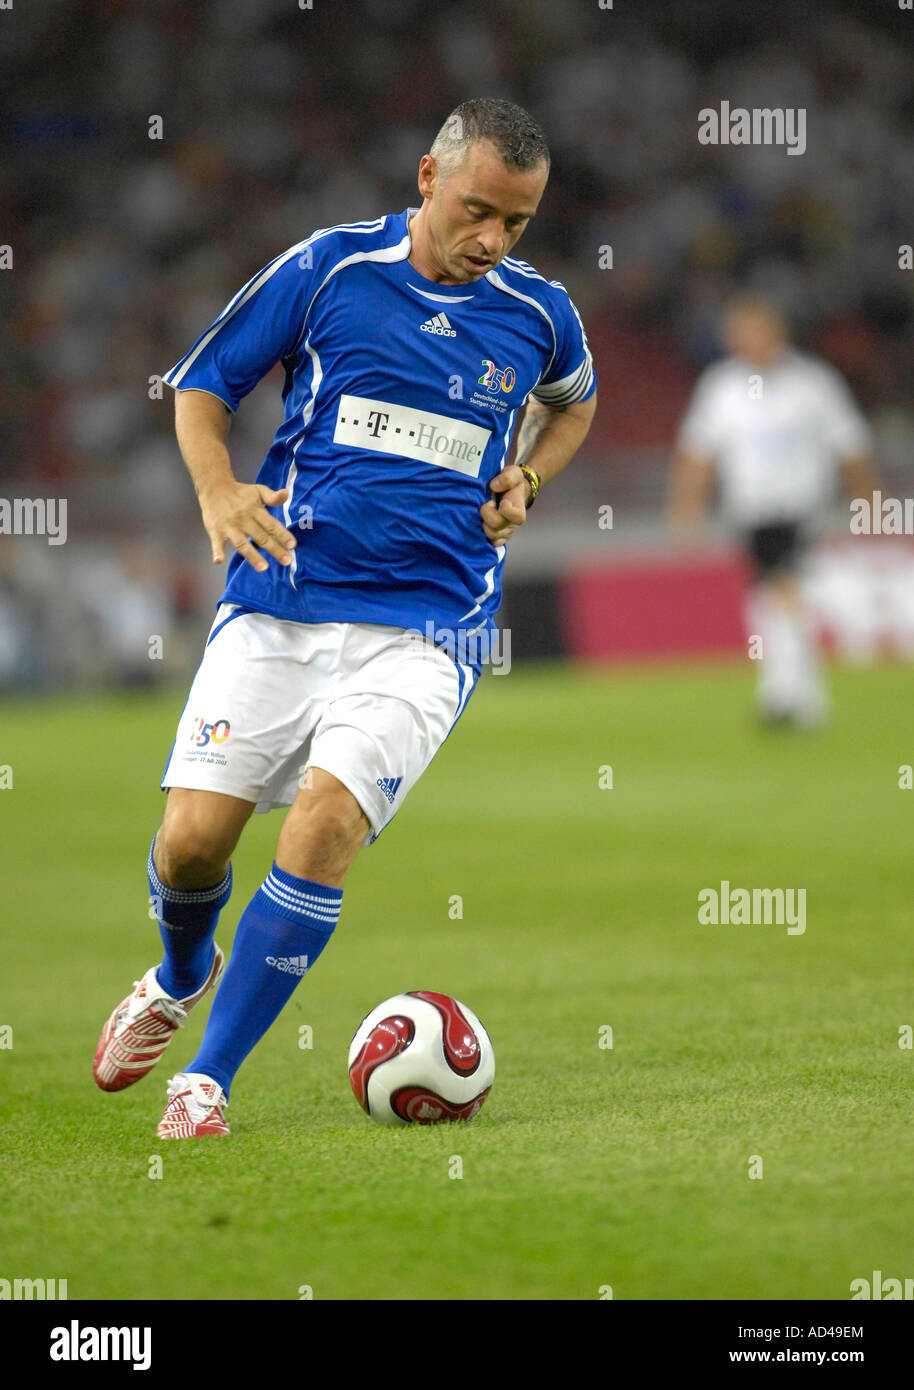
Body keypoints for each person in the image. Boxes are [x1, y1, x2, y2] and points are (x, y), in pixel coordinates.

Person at [92, 98, 597, 1137]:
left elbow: (575, 400)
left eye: (515, 222)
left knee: (324, 823)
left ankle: (208, 1081)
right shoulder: (327, 269)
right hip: (281, 594)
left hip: (427, 625)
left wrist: (530, 480)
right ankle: (182, 970)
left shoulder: (538, 313)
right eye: (475, 211)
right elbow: (201, 387)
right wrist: (219, 491)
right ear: (425, 178)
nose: (490, 239)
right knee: (190, 846)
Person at [668, 292, 877, 727]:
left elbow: (851, 446)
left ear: (775, 330)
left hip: (801, 509)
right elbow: (698, 453)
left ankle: (793, 697)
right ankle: (793, 692)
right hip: (751, 512)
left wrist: (868, 502)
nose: (742, 339)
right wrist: (688, 508)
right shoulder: (722, 386)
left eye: (750, 329)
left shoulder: (812, 383)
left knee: (782, 591)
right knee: (773, 598)